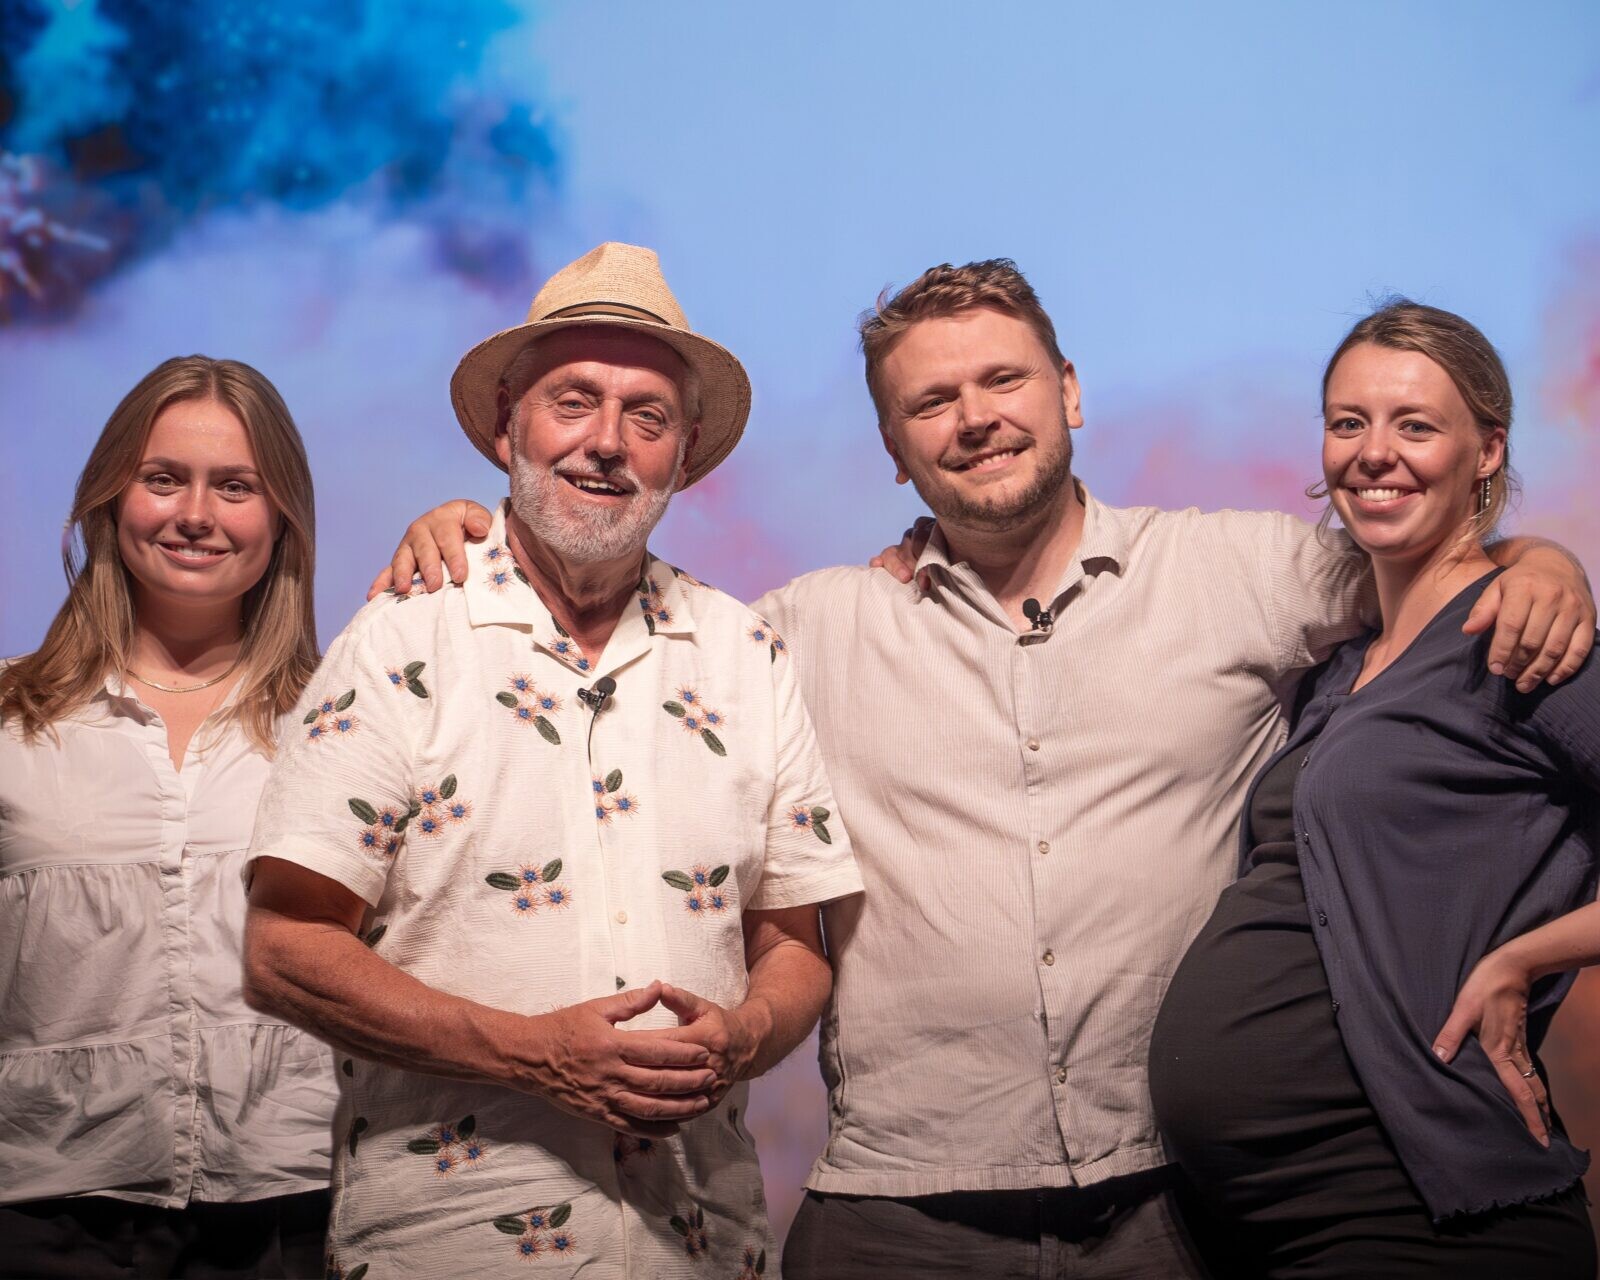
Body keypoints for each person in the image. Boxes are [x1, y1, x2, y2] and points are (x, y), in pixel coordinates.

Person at [378, 260, 1594, 1277]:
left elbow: (1426, 564)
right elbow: (621, 618)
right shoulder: (803, 628)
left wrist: (1538, 558)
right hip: (896, 1213)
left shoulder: (1250, 574)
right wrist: (476, 526)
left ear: (1068, 390)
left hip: (1168, 1212)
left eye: (1004, 379)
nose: (976, 416)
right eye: (932, 402)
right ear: (895, 451)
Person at [241, 242, 862, 1278]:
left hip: (701, 1245)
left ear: (687, 449)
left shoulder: (745, 653)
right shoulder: (403, 638)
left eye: (647, 415)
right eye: (573, 399)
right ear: (506, 423)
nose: (607, 442)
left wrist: (745, 1033)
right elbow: (282, 948)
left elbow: (793, 942)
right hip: (444, 1248)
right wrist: (535, 1051)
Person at [1147, 300, 1600, 1278]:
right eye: (1347, 422)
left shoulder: (1523, 635)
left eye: (1415, 425)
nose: (1373, 452)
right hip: (1266, 1222)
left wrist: (1526, 956)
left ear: (1487, 450)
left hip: (1414, 1214)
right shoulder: (1337, 667)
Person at [0, 356, 336, 1278]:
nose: (197, 515)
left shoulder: (342, 727)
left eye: (236, 487)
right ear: (111, 499)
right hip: (40, 1216)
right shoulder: (9, 722)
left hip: (294, 1215)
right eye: (163, 479)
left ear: (283, 519)